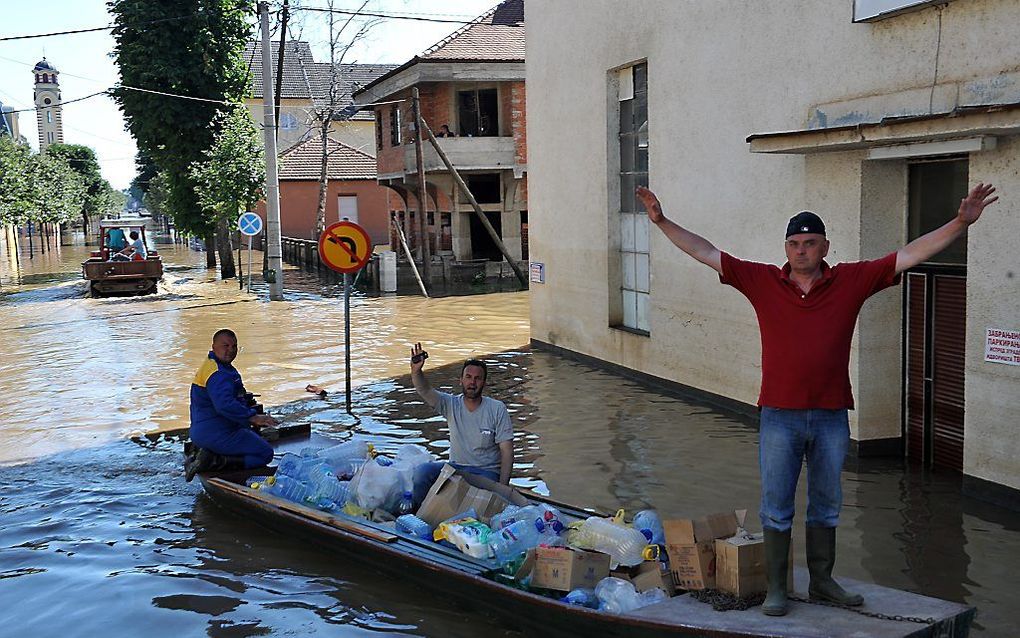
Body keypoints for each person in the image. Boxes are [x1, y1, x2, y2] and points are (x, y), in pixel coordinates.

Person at [635, 182, 997, 616]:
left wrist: (960, 222)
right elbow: (704, 250)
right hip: (779, 416)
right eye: (794, 243)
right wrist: (660, 222)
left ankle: (823, 582)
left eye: (810, 243)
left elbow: (912, 253)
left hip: (829, 416)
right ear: (785, 248)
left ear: (825, 246)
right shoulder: (761, 280)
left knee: (827, 503)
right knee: (776, 506)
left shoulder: (852, 280)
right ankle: (776, 589)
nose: (801, 250)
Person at [409, 342, 513, 485]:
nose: (472, 382)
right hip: (455, 469)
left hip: (486, 473)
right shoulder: (451, 404)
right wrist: (416, 371)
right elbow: (425, 390)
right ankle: (416, 507)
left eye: (477, 378)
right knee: (422, 472)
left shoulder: (497, 409)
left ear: (484, 383)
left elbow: (507, 451)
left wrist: (503, 487)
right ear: (461, 381)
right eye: (468, 377)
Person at [185, 329, 279, 481]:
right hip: (217, 432)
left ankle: (207, 454)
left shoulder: (212, 365)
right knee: (265, 453)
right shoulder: (218, 374)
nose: (231, 350)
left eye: (234, 346)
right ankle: (216, 461)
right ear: (214, 347)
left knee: (251, 437)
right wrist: (252, 417)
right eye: (225, 346)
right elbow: (224, 405)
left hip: (202, 431)